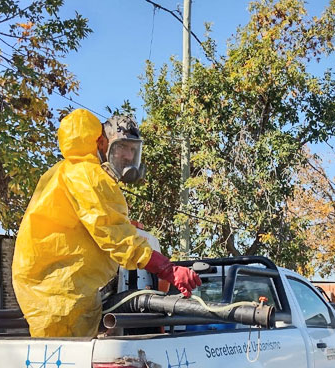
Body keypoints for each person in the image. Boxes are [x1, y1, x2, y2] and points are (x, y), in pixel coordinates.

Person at [12, 109, 201, 337]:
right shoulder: (90, 176)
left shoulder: (62, 171)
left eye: (133, 149)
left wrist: (126, 225)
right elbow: (116, 238)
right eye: (122, 148)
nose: (129, 158)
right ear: (101, 142)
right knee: (71, 366)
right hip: (61, 292)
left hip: (49, 286)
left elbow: (82, 222)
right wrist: (169, 269)